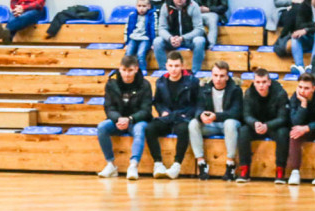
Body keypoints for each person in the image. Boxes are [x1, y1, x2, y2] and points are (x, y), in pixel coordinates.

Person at [96, 54, 152, 180]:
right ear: (120, 69)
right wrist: (118, 119)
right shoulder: (111, 83)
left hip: (136, 120)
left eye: (130, 70)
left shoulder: (144, 84)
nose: (127, 74)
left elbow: (146, 110)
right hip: (119, 120)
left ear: (136, 69)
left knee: (140, 130)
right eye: (124, 70)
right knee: (102, 127)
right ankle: (110, 164)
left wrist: (130, 119)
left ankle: (133, 165)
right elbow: (108, 107)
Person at [146, 50, 199, 179]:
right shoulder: (161, 82)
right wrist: (162, 111)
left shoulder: (192, 81)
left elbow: (197, 103)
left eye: (176, 66)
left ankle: (177, 164)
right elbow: (157, 102)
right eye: (171, 66)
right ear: (166, 65)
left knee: (183, 129)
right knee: (150, 128)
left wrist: (187, 115)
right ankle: (158, 163)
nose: (173, 69)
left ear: (182, 66)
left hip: (183, 117)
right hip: (167, 117)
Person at [189, 61, 242, 181]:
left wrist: (216, 116)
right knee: (193, 123)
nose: (218, 79)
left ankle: (230, 164)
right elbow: (198, 107)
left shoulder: (235, 90)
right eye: (215, 75)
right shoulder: (204, 88)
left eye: (222, 76)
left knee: (229, 123)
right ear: (211, 75)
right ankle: (201, 163)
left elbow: (236, 113)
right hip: (211, 125)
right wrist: (200, 115)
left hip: (229, 126)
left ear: (227, 77)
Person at [238, 68, 290, 184]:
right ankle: (244, 169)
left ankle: (280, 170)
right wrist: (254, 123)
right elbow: (246, 115)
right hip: (256, 125)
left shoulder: (280, 93)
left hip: (273, 126)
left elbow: (283, 118)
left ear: (269, 82)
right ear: (254, 82)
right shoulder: (249, 93)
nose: (261, 85)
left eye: (264, 82)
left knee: (283, 132)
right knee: (243, 131)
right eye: (258, 82)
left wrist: (267, 126)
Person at [285, 73, 315, 186]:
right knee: (294, 132)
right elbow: (295, 121)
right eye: (300, 87)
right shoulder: (296, 97)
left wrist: (308, 128)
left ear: (313, 88)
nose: (302, 91)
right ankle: (295, 171)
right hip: (304, 128)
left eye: (306, 88)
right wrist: (303, 104)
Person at [153, 0, 206, 73]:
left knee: (200, 40)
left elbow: (199, 29)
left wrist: (183, 38)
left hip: (188, 40)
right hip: (171, 40)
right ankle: (164, 72)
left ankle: (195, 73)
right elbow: (161, 28)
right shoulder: (165, 6)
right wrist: (170, 38)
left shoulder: (194, 6)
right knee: (157, 41)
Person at [123, 0, 155, 74]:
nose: (141, 8)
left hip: (145, 39)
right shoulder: (132, 15)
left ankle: (142, 71)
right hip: (133, 38)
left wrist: (153, 42)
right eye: (139, 6)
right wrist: (126, 43)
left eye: (144, 6)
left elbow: (154, 29)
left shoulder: (152, 16)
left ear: (149, 6)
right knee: (128, 53)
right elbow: (127, 29)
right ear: (136, 6)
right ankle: (127, 69)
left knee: (140, 54)